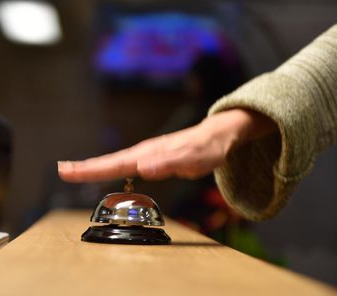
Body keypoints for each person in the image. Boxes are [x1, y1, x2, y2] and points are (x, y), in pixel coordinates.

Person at [58, 24, 337, 221]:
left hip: (217, 207)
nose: (186, 83)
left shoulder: (197, 112)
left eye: (192, 77)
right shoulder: (200, 109)